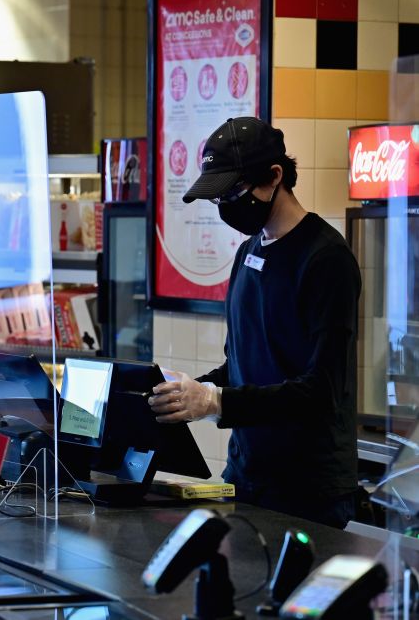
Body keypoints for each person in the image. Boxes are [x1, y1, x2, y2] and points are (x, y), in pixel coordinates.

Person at [148, 117, 362, 529]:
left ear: (274, 177)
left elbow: (323, 389)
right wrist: (188, 395)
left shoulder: (325, 260)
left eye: (233, 191)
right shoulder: (247, 253)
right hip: (246, 476)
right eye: (218, 197)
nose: (226, 205)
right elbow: (242, 365)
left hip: (309, 490)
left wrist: (217, 402)